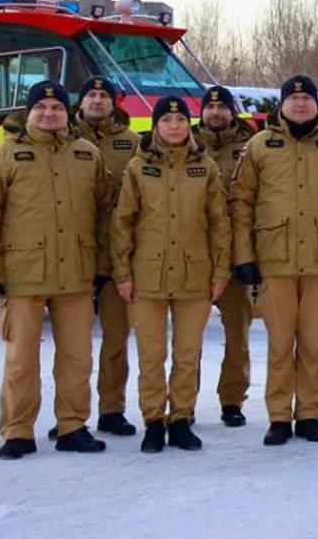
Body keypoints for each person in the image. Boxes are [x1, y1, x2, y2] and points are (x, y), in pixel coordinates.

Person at [0, 80, 112, 458]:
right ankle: (18, 431)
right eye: (41, 108)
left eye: (57, 108)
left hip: (77, 275)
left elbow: (103, 217)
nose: (49, 114)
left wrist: (101, 266)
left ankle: (72, 426)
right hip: (22, 275)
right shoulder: (5, 155)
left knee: (78, 358)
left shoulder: (87, 155)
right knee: (21, 360)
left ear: (68, 112)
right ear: (28, 113)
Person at [230, 75, 318, 445]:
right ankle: (278, 416)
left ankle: (308, 413)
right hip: (275, 260)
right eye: (294, 98)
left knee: (314, 342)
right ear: (283, 104)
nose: (301, 104)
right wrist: (244, 256)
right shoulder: (260, 146)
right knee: (279, 344)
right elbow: (241, 204)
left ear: (316, 104)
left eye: (308, 98)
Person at [110, 96, 230, 452]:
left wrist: (220, 270)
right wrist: (122, 272)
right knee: (151, 354)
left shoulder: (205, 167)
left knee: (187, 353)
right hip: (147, 274)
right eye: (166, 120)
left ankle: (180, 418)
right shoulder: (137, 168)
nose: (174, 126)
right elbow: (122, 223)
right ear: (156, 126)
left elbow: (219, 225)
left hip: (195, 274)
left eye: (180, 120)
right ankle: (153, 420)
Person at [70, 76, 140, 439]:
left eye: (104, 95)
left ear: (115, 103)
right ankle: (70, 416)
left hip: (117, 256)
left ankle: (112, 409)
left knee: (115, 338)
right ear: (80, 102)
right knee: (74, 344)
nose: (97, 101)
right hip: (75, 254)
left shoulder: (133, 143)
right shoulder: (63, 140)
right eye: (91, 94)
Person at [195, 85, 258, 427]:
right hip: (196, 255)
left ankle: (232, 399)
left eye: (222, 108)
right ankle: (184, 399)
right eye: (210, 108)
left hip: (236, 255)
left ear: (233, 112)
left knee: (238, 333)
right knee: (190, 338)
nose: (216, 113)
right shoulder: (186, 144)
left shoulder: (250, 148)